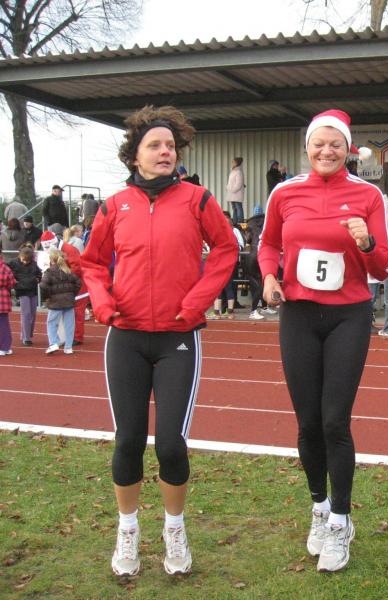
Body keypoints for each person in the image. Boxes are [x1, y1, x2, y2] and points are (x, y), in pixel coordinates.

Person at [80, 105, 239, 577]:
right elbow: (92, 262)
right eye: (155, 145)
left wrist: (196, 302)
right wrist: (102, 302)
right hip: (126, 337)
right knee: (128, 441)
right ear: (136, 156)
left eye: (170, 145)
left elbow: (226, 249)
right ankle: (127, 531)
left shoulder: (198, 200)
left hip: (177, 339)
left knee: (170, 444)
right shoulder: (114, 206)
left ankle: (174, 529)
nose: (165, 151)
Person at [257, 109, 388, 573]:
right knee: (307, 423)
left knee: (335, 422)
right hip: (298, 315)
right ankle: (318, 506)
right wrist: (269, 277)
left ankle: (340, 519)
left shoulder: (368, 195)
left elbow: (382, 267)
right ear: (307, 147)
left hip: (347, 317)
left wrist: (366, 243)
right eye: (319, 144)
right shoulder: (285, 192)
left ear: (349, 149)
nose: (327, 151)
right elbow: (268, 244)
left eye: (336, 144)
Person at [39, 227, 88, 346]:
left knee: (77, 313)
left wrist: (63, 279)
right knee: (69, 313)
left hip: (77, 286)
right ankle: (68, 337)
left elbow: (77, 268)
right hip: (68, 286)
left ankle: (77, 337)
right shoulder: (60, 250)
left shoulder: (69, 250)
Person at [40, 249, 81, 355]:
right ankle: (68, 347)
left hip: (55, 303)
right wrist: (72, 294)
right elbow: (78, 283)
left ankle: (53, 343)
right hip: (68, 302)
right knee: (69, 325)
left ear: (51, 260)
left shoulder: (49, 272)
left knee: (52, 323)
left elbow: (43, 286)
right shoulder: (68, 271)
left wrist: (47, 297)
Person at [209, 211, 244, 319]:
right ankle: (230, 313)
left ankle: (217, 313)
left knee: (218, 288)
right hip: (229, 263)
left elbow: (213, 248)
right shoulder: (233, 235)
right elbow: (237, 247)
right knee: (229, 287)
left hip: (220, 264)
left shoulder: (218, 234)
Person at [8, 245, 41, 346]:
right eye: (24, 260)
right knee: (26, 314)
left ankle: (28, 334)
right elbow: (5, 271)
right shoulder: (13, 263)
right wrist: (13, 282)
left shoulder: (34, 264)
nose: (25, 262)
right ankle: (26, 338)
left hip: (32, 290)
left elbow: (39, 273)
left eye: (27, 260)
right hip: (22, 291)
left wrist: (38, 279)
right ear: (20, 256)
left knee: (33, 315)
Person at [0, 250, 15, 356]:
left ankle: (4, 347)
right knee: (4, 323)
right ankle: (6, 347)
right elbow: (12, 283)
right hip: (4, 298)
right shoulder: (6, 268)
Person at [225, 156, 245, 225]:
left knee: (238, 207)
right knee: (234, 208)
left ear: (237, 163)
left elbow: (239, 184)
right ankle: (235, 222)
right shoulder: (233, 171)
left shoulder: (239, 172)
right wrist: (228, 187)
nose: (232, 163)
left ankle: (240, 222)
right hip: (232, 193)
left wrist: (231, 189)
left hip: (236, 193)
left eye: (233, 162)